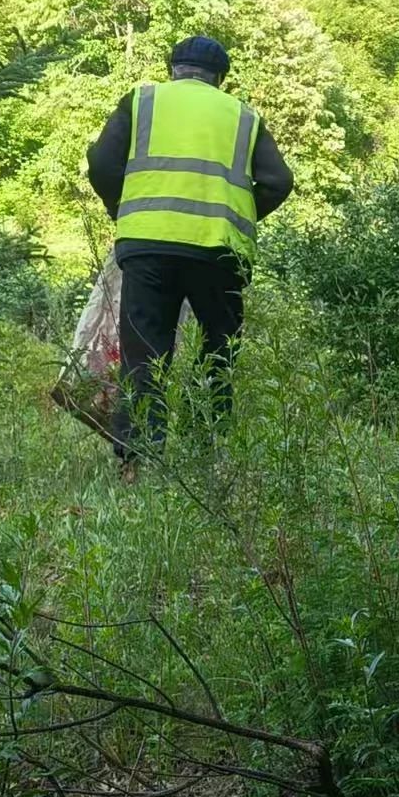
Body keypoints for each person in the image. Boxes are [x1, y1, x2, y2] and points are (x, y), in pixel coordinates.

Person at [86, 36, 293, 479]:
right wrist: (238, 215)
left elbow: (101, 165)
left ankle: (137, 463)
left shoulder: (142, 101)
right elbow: (278, 182)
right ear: (221, 77)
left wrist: (123, 209)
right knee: (218, 352)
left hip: (147, 247)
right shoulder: (242, 116)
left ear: (172, 68)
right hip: (218, 252)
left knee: (144, 353)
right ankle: (209, 455)